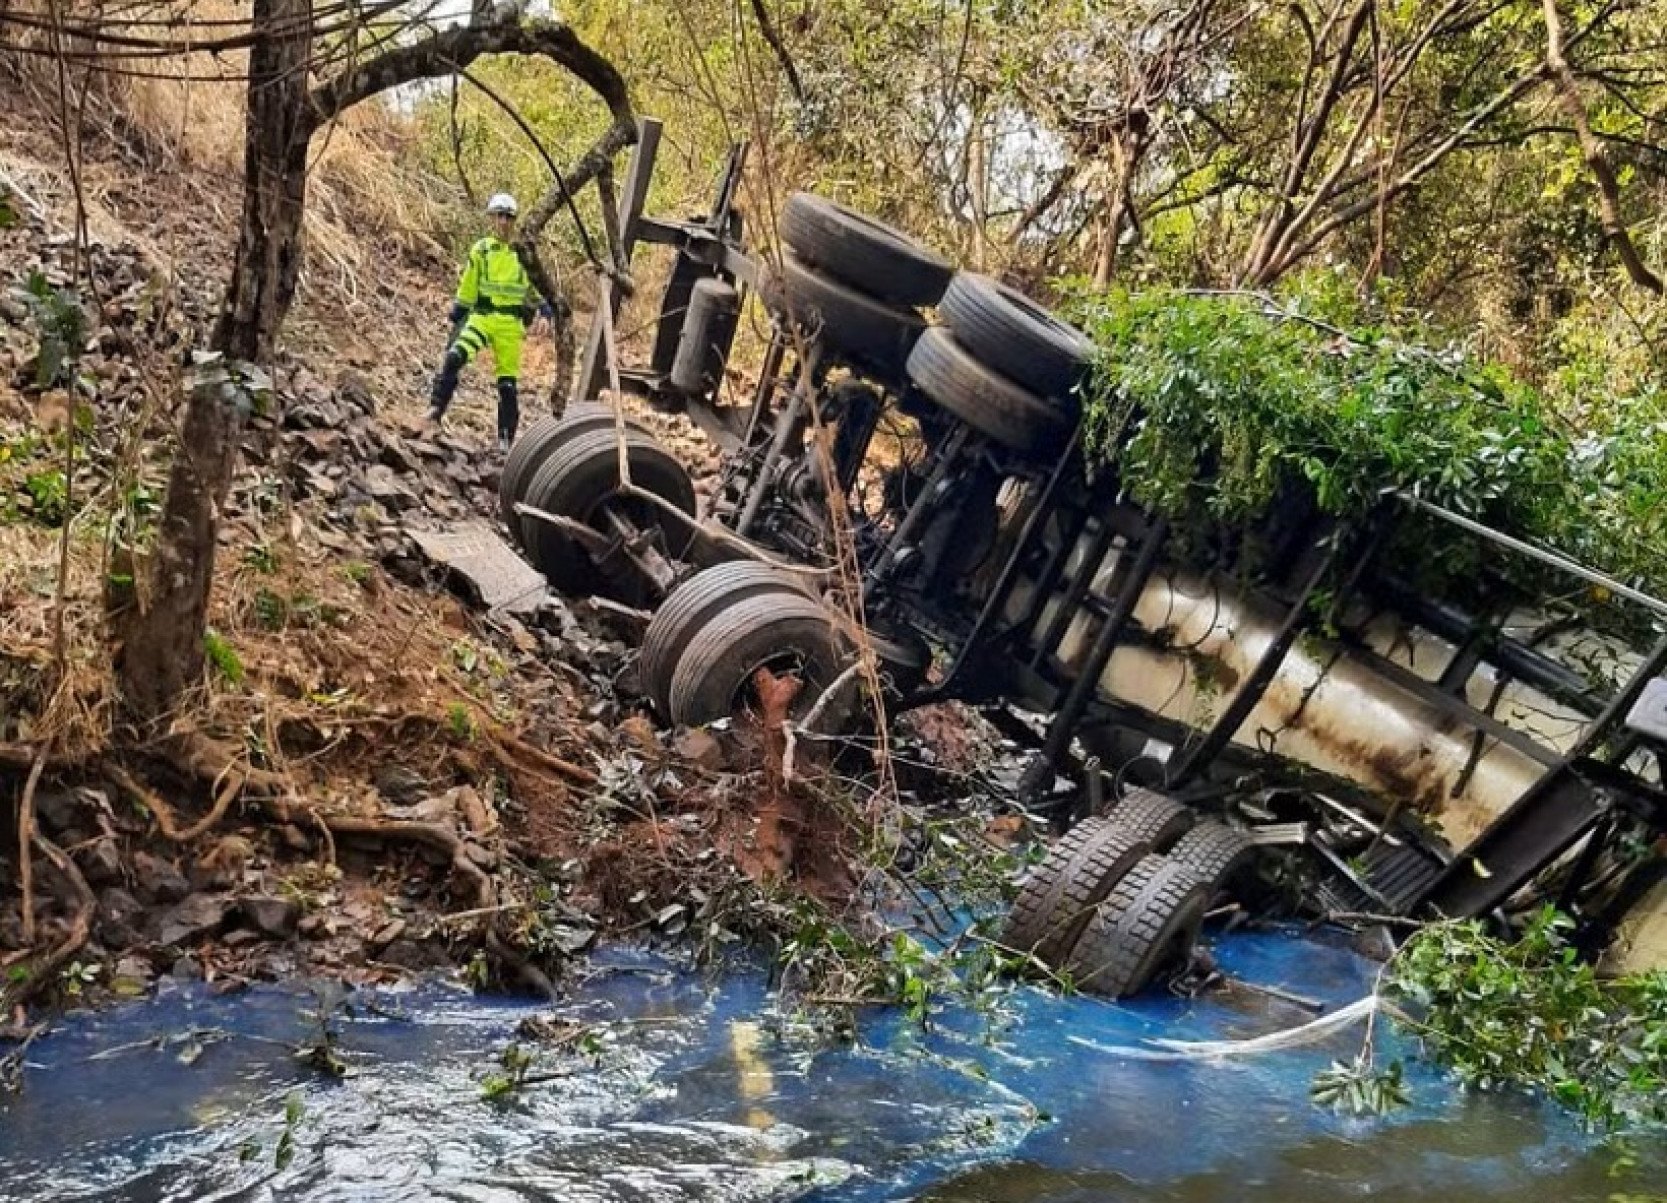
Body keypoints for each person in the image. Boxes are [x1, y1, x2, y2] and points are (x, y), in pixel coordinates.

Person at [425, 192, 552, 451]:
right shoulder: (481, 249)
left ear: (513, 220)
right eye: (499, 217)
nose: (503, 222)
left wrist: (546, 310)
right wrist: (458, 311)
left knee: (507, 384)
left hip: (509, 324)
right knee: (454, 357)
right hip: (482, 317)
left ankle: (505, 439)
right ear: (491, 219)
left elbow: (536, 287)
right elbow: (469, 284)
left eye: (508, 217)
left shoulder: (522, 253)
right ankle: (435, 410)